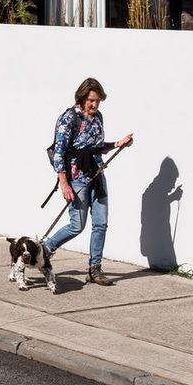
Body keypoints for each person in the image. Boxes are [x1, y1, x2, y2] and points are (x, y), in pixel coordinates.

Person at [43, 76, 133, 289]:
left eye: (98, 101)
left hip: (97, 174)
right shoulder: (68, 118)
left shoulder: (98, 117)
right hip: (77, 177)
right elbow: (59, 152)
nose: (95, 105)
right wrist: (63, 183)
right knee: (77, 225)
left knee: (101, 224)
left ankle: (94, 269)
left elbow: (97, 146)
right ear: (82, 98)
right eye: (91, 100)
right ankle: (45, 250)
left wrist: (119, 143)